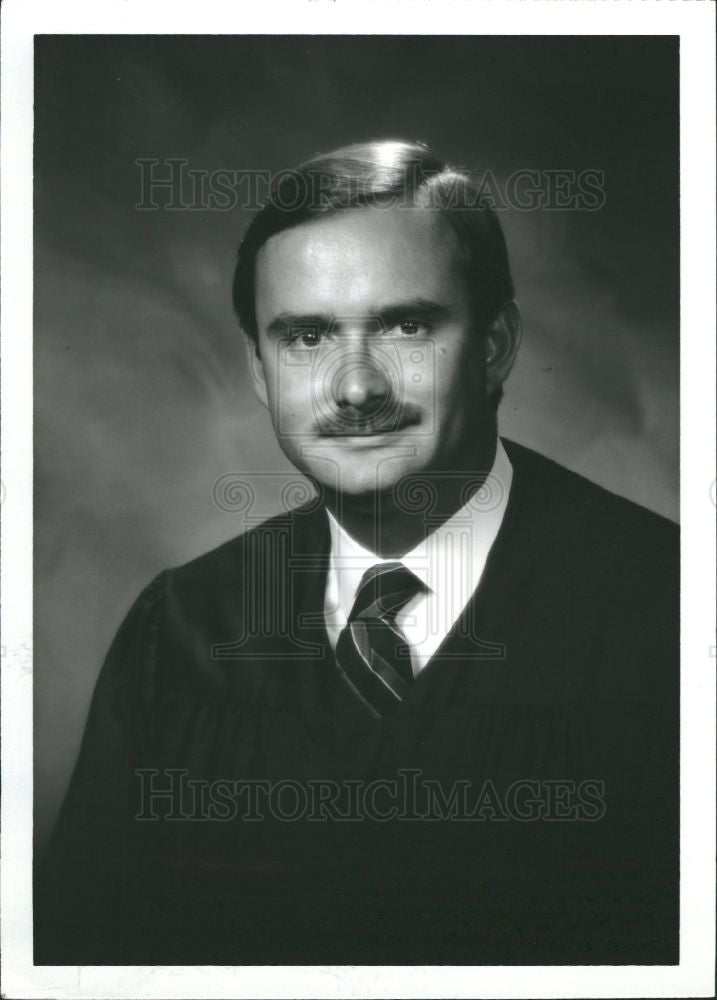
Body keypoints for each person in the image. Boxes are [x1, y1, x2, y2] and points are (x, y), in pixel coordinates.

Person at [35, 139, 679, 966]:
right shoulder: (181, 632)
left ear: (494, 346)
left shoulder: (668, 610)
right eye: (305, 337)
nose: (355, 388)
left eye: (407, 325)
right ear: (261, 373)